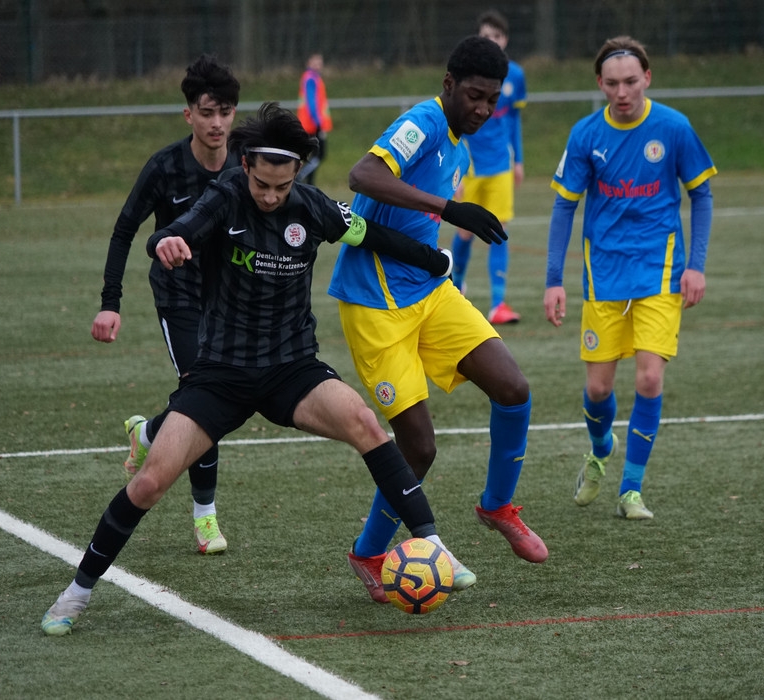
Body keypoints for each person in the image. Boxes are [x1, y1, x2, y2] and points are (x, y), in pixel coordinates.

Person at [42, 102, 464, 636]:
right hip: (222, 374)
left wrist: (434, 259)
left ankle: (433, 545)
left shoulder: (312, 207)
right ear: (246, 167)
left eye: (281, 186)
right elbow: (177, 229)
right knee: (149, 483)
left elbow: (370, 234)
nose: (269, 196)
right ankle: (76, 594)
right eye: (262, 184)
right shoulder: (224, 197)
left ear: (297, 174)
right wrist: (166, 241)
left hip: (293, 369)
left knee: (365, 423)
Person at [329, 35, 548, 604]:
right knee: (419, 448)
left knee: (513, 388)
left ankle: (497, 506)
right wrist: (451, 209)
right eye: (474, 95)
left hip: (429, 291)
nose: (483, 109)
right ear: (449, 84)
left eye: (492, 100)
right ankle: (368, 552)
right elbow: (362, 176)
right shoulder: (423, 122)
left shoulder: (461, 148)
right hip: (375, 303)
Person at [543, 36, 716, 520]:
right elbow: (564, 206)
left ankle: (631, 490)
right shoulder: (585, 135)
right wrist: (554, 280)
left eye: (631, 82)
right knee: (599, 389)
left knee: (649, 377)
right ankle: (601, 448)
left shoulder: (674, 127)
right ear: (600, 84)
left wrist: (696, 265)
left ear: (648, 79)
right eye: (613, 83)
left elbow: (701, 195)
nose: (623, 92)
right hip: (603, 274)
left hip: (661, 271)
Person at [90, 54, 240, 555]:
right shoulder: (165, 167)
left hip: (229, 299)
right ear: (188, 114)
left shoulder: (246, 160)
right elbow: (124, 231)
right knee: (203, 395)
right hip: (178, 296)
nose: (216, 123)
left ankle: (149, 433)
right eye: (207, 112)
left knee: (214, 397)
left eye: (225, 112)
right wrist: (110, 303)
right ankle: (206, 518)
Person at [452, 9, 527, 325]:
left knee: (499, 231)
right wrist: (455, 171)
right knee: (465, 231)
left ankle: (498, 304)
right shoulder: (464, 77)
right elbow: (454, 122)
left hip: (500, 166)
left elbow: (514, 120)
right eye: (486, 36)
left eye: (497, 36)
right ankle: (454, 288)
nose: (492, 41)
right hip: (470, 168)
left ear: (505, 39)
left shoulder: (516, 76)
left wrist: (519, 160)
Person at [296, 53, 334, 186]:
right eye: (315, 62)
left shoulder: (314, 78)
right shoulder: (310, 79)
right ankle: (300, 178)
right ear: (308, 63)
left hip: (311, 124)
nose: (318, 65)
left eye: (320, 63)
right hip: (312, 125)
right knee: (319, 154)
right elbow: (312, 103)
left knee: (313, 155)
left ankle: (308, 183)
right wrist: (319, 124)